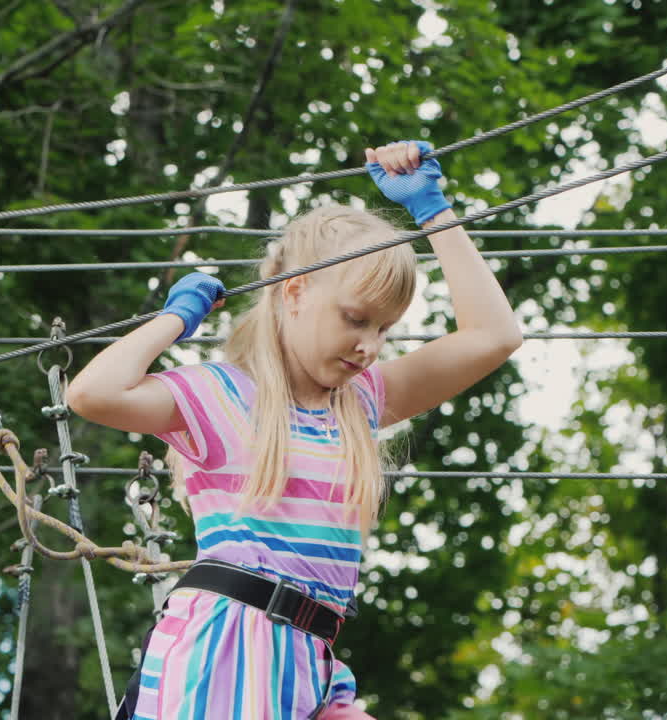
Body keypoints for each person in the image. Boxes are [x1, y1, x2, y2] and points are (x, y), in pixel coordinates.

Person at [66, 140, 522, 719]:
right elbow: (90, 394)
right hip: (230, 655)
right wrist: (173, 320)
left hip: (314, 660)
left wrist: (435, 213)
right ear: (295, 292)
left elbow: (494, 336)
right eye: (356, 319)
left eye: (384, 329)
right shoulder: (223, 395)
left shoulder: (359, 402)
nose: (369, 345)